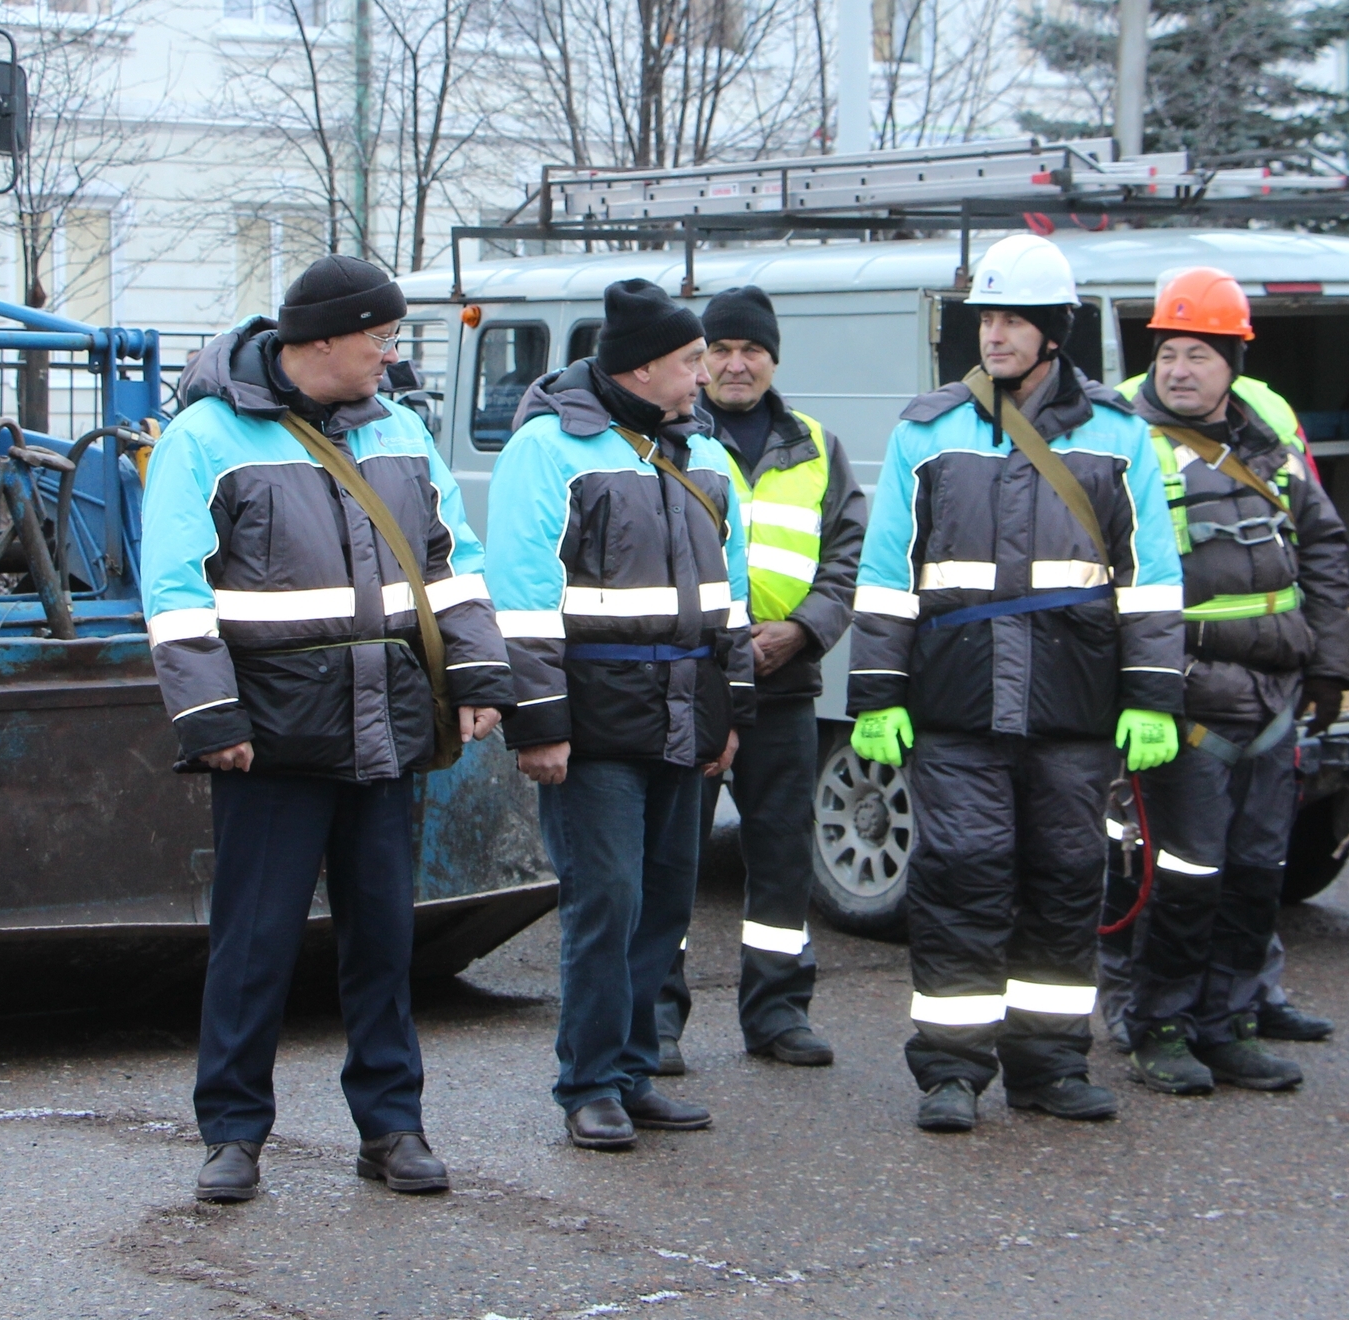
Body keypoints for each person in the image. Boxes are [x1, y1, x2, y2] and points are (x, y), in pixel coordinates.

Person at [141, 255, 514, 1205]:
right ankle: (232, 1132)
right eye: (380, 339)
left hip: (382, 722)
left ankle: (392, 1127)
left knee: (384, 938)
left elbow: (452, 564)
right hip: (268, 736)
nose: (391, 357)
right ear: (321, 341)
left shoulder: (400, 430)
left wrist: (477, 674)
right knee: (254, 941)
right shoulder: (202, 438)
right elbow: (176, 591)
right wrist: (210, 713)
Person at [847, 233, 1185, 1133]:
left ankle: (1048, 1066)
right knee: (962, 872)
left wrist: (1154, 696)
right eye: (985, 318)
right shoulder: (926, 431)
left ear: (1052, 331)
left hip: (1073, 703)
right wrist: (876, 696)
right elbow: (886, 571)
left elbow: (1149, 576)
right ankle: (952, 1071)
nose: (993, 335)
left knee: (1068, 875)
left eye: (1012, 320)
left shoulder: (1119, 436)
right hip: (955, 701)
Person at [486, 279, 757, 1150]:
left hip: (685, 717)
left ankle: (634, 1071)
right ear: (642, 366)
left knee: (663, 904)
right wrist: (539, 722)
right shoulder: (548, 447)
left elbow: (733, 596)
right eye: (691, 359)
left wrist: (732, 710)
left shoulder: (703, 451)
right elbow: (523, 599)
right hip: (596, 724)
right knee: (607, 899)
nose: (707, 371)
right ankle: (590, 1082)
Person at [1104, 267, 1349, 1096]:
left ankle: (1232, 1023)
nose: (1180, 369)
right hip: (1186, 706)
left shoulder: (1268, 450)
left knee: (1255, 874)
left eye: (1199, 355)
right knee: (1185, 875)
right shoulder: (1121, 445)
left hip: (1273, 707)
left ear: (1233, 363)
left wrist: (1328, 661)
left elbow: (1323, 548)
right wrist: (1149, 682)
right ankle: (1161, 1026)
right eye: (1169, 352)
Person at [652, 286, 868, 1073]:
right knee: (672, 858)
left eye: (751, 349)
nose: (736, 363)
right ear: (699, 359)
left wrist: (807, 628)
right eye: (720, 349)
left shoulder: (816, 443)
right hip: (692, 681)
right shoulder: (669, 436)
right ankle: (655, 1020)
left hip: (784, 683)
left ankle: (778, 1013)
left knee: (780, 854)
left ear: (773, 358)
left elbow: (848, 555)